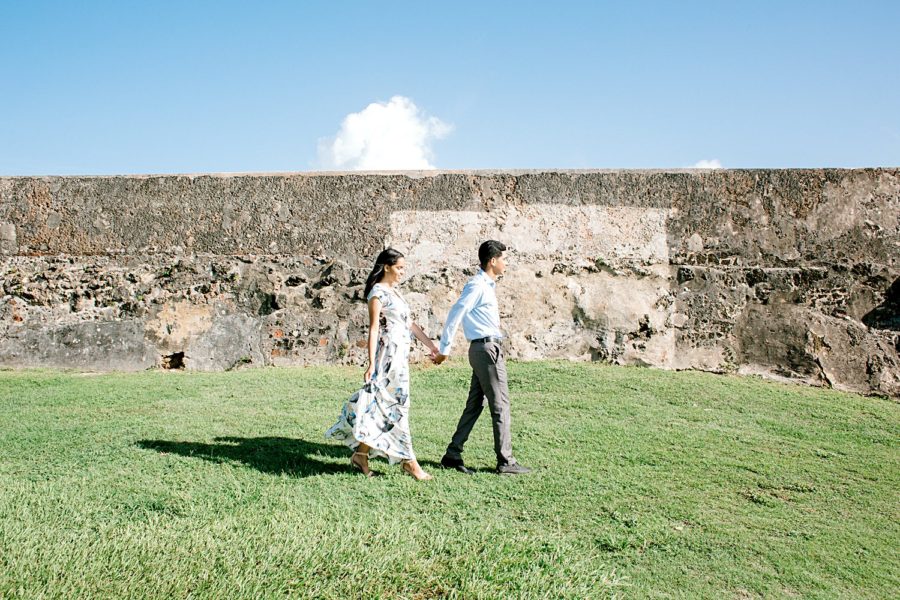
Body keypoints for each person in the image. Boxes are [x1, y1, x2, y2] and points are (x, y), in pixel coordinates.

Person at [326, 248, 437, 480]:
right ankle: (410, 462)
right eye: (399, 268)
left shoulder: (395, 293)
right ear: (387, 267)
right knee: (395, 406)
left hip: (400, 359)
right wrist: (371, 364)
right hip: (386, 358)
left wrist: (430, 345)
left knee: (383, 406)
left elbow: (410, 324)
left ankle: (361, 454)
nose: (402, 272)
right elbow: (374, 328)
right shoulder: (377, 293)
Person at [432, 240, 532, 475]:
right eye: (503, 259)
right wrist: (444, 349)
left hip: (484, 349)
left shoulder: (486, 286)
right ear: (493, 261)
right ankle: (506, 461)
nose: (506, 263)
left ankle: (452, 454)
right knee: (500, 405)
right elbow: (456, 311)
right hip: (486, 350)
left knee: (475, 404)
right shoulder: (477, 285)